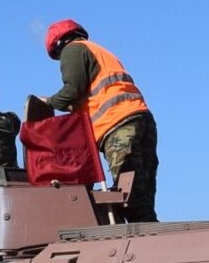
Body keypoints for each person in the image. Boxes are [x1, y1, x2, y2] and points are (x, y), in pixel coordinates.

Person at [41, 19, 158, 223]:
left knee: (130, 196)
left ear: (59, 44)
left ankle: (144, 244)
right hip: (141, 119)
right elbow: (90, 94)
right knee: (143, 195)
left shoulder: (73, 50)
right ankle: (154, 241)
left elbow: (72, 91)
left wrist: (48, 102)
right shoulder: (99, 51)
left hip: (117, 125)